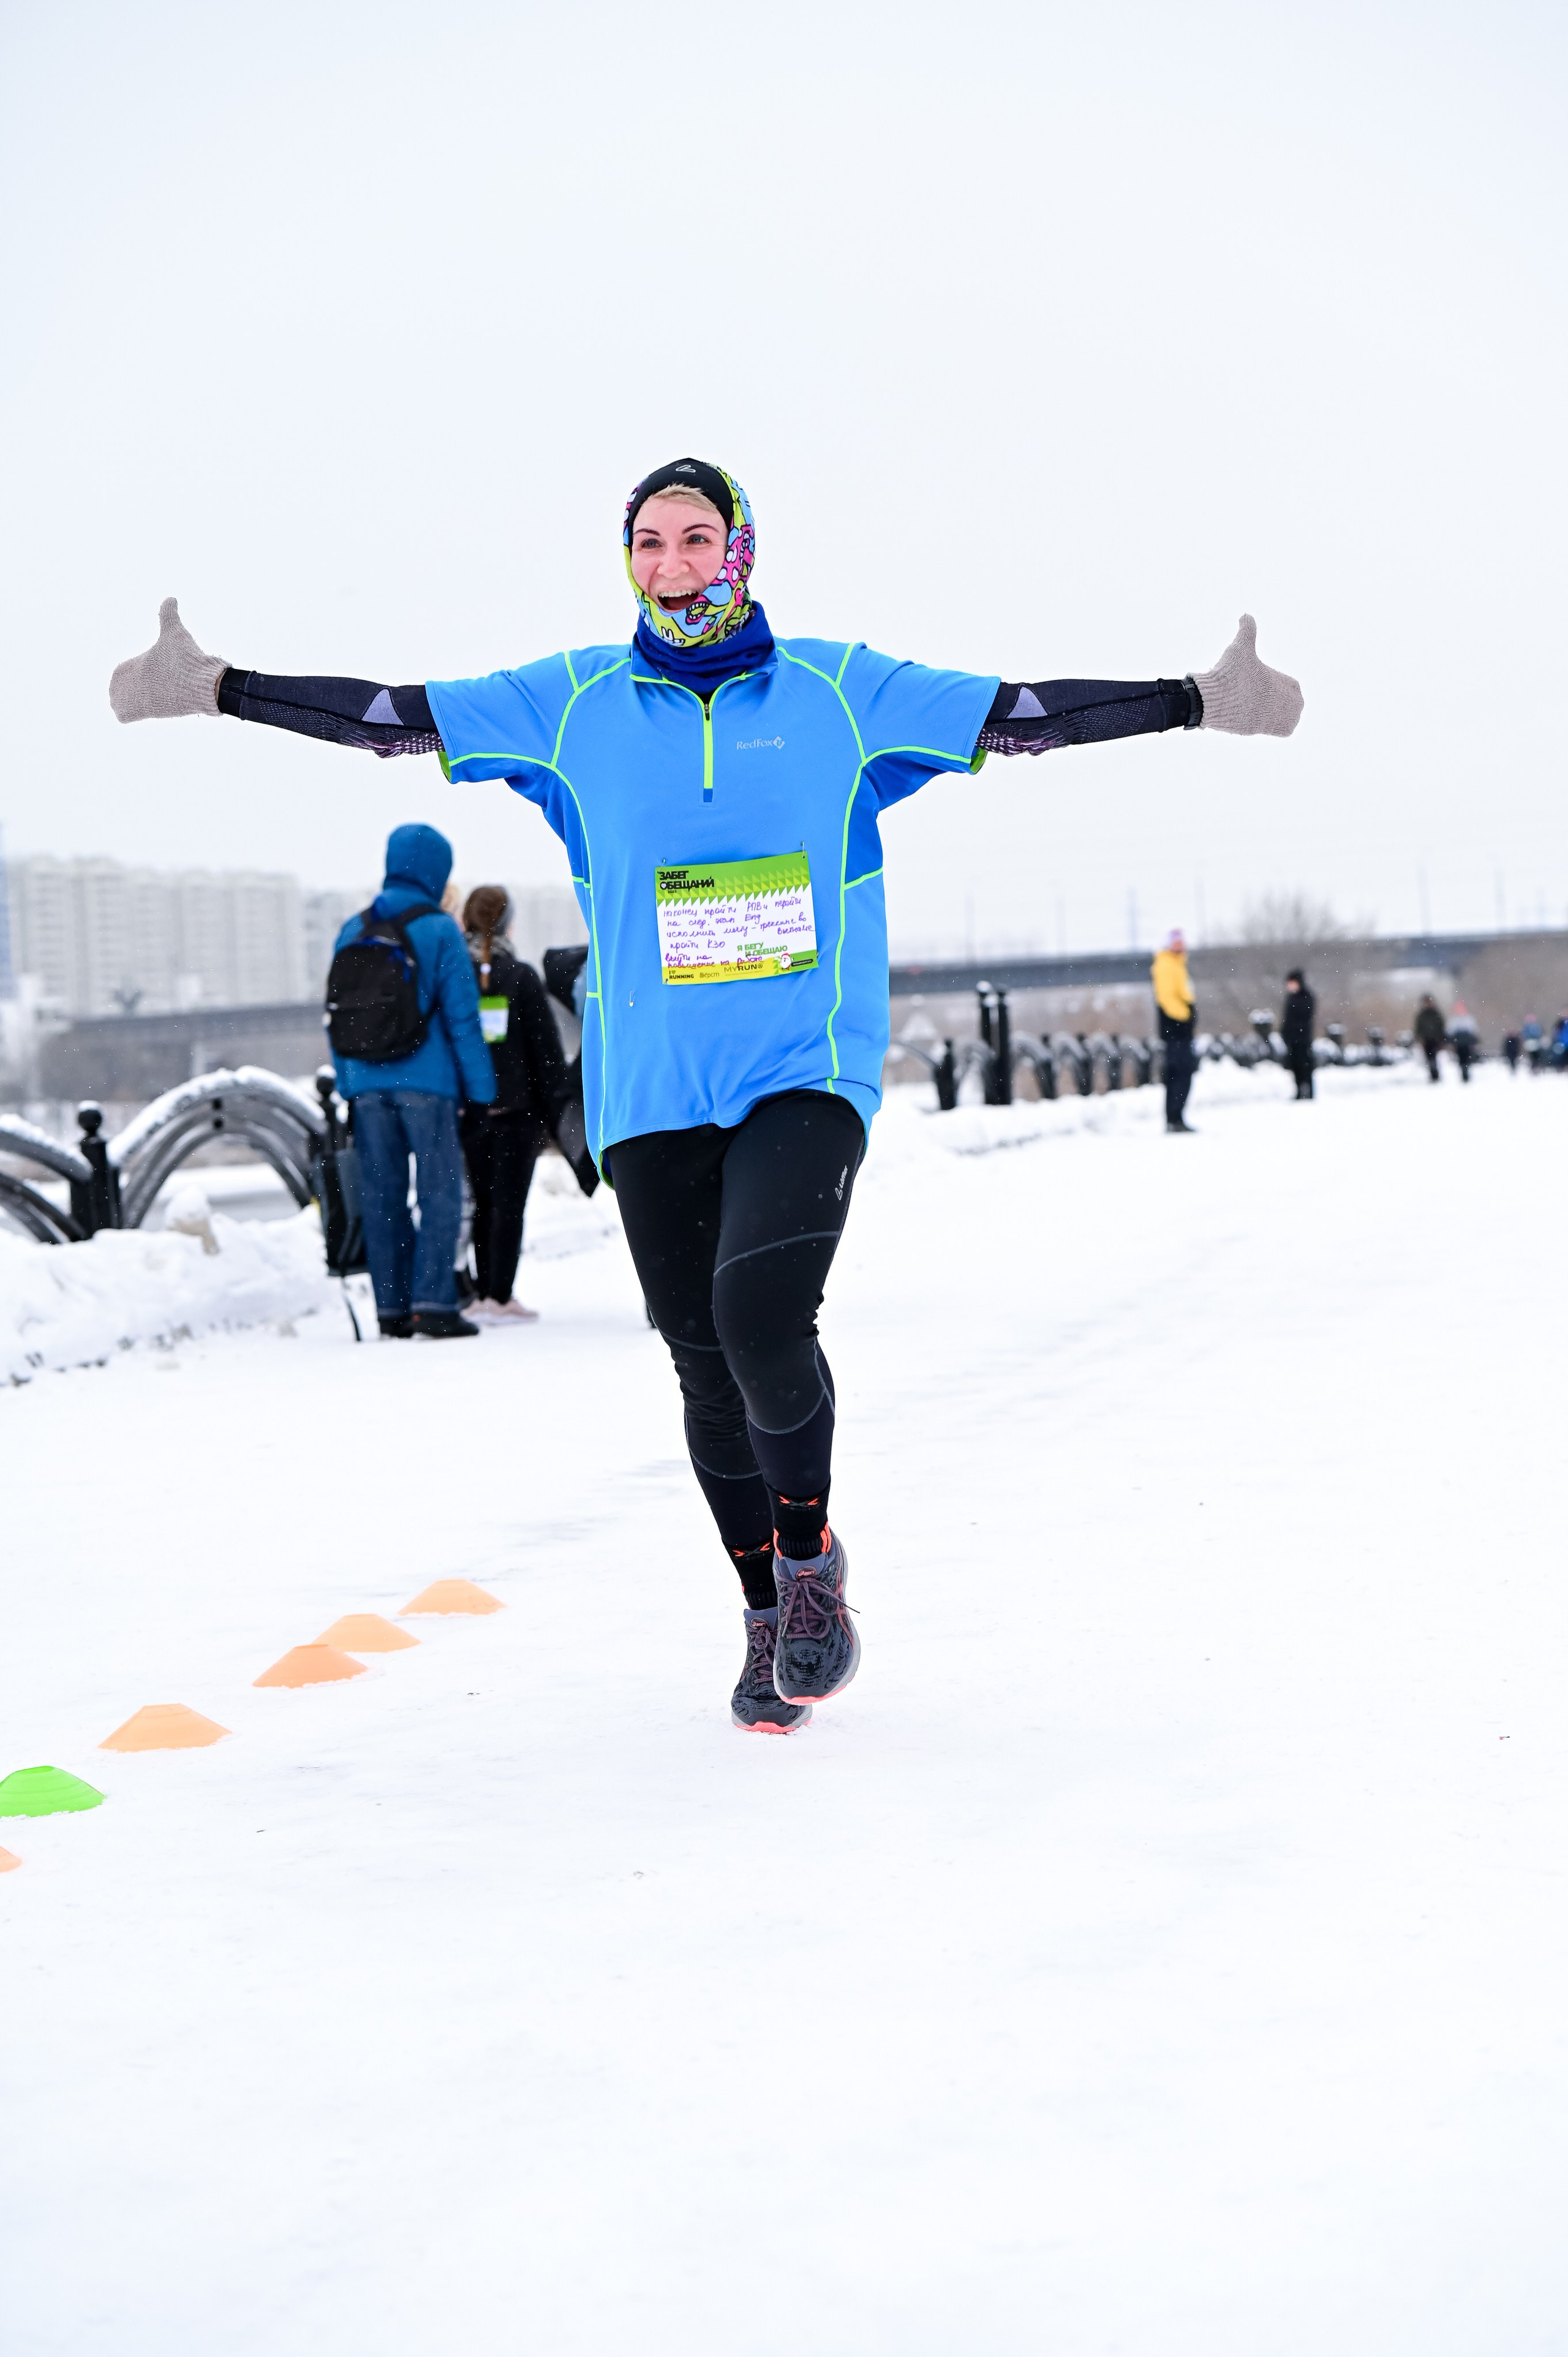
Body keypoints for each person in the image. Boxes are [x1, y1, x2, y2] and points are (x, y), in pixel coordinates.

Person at [108, 457, 1303, 1733]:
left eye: (694, 538)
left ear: (740, 551)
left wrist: (1193, 699)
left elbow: (1020, 713)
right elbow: (394, 715)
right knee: (701, 1363)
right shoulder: (571, 705)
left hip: (804, 1066)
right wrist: (218, 688)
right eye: (646, 542)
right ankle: (757, 1606)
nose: (670, 562)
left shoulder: (842, 693)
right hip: (652, 1086)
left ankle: (806, 1564)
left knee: (756, 1312)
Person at [328, 824, 496, 1338]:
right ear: (436, 869)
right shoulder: (438, 929)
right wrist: (482, 1092)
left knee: (383, 1195)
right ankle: (433, 1303)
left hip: (366, 1085)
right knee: (440, 1192)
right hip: (428, 1083)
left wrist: (348, 1080)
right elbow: (463, 1018)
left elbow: (337, 1013)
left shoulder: (352, 928)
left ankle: (392, 1308)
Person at [460, 884, 571, 1320]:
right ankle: (500, 1295)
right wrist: (558, 1109)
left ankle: (483, 1289)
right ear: (507, 923)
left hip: (472, 1112)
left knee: (484, 1204)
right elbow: (545, 1052)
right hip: (518, 1113)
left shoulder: (454, 974)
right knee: (509, 1205)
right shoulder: (521, 977)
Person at [1152, 929, 1198, 1132]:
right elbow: (1167, 998)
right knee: (1180, 1073)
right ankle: (1174, 1118)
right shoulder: (1166, 965)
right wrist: (1185, 1016)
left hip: (1181, 1029)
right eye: (1176, 943)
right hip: (1176, 1029)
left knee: (1180, 1074)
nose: (1180, 946)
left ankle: (1176, 1117)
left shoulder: (1178, 965)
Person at [1281, 967, 1316, 1099]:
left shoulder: (1306, 997)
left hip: (1302, 1039)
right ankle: (1299, 1090)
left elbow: (1305, 1017)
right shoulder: (1291, 998)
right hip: (1292, 1039)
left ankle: (1307, 1091)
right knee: (1295, 1066)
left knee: (1305, 1065)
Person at [1414, 993, 1447, 1082]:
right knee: (1429, 1058)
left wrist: (1442, 1038)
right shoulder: (1421, 1015)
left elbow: (1442, 1027)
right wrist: (1418, 1038)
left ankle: (1435, 1074)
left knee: (1434, 1057)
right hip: (1426, 1040)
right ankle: (1433, 1074)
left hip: (1435, 1039)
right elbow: (1418, 1028)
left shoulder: (1436, 1014)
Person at [1447, 1000, 1479, 1083]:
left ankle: (1466, 1072)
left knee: (1467, 1058)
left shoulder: (1469, 1019)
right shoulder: (1454, 1020)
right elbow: (1450, 1031)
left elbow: (1473, 1030)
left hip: (1466, 1043)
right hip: (1459, 1043)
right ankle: (1463, 1073)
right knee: (1461, 1059)